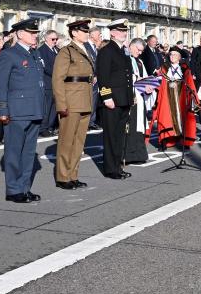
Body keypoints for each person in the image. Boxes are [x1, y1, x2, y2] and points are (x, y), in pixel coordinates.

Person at [0, 18, 47, 203]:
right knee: (14, 152)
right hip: (16, 111)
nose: (35, 36)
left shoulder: (34, 54)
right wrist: (2, 109)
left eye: (35, 33)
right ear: (20, 34)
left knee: (28, 152)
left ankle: (25, 187)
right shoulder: (9, 54)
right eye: (31, 33)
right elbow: (0, 85)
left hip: (34, 109)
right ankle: (13, 189)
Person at [52, 19, 96, 189]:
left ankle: (73, 175)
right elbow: (58, 79)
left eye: (87, 31)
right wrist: (61, 104)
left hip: (85, 99)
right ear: (74, 33)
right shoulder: (66, 51)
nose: (87, 33)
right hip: (71, 101)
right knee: (66, 141)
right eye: (84, 31)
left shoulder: (86, 50)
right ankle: (63, 177)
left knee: (79, 142)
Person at [96, 19, 134, 179]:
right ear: (112, 33)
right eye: (121, 31)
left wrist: (130, 96)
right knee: (111, 136)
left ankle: (117, 166)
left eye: (125, 31)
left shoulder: (123, 51)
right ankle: (111, 169)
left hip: (123, 99)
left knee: (119, 135)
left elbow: (127, 76)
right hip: (112, 100)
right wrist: (107, 97)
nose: (124, 33)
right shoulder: (107, 51)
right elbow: (103, 76)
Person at [153, 47, 198, 149]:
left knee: (182, 118)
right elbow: (159, 82)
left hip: (181, 97)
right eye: (171, 54)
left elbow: (190, 83)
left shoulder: (184, 68)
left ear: (179, 57)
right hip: (167, 97)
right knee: (165, 117)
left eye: (175, 55)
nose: (172, 57)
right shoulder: (164, 67)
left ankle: (185, 141)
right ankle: (164, 141)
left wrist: (193, 97)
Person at [125, 38, 155, 164]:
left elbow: (145, 78)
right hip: (130, 97)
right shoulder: (125, 60)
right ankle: (129, 155)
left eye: (142, 51)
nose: (140, 53)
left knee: (139, 126)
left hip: (140, 97)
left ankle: (139, 154)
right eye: (138, 50)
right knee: (130, 127)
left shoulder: (140, 62)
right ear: (131, 46)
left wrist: (149, 86)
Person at [37, 29, 60, 136]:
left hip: (56, 83)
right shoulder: (42, 50)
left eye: (56, 39)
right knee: (46, 107)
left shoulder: (56, 50)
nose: (55, 41)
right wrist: (58, 74)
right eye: (53, 39)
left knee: (54, 107)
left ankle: (50, 126)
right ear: (46, 39)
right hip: (48, 82)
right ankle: (43, 128)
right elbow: (45, 67)